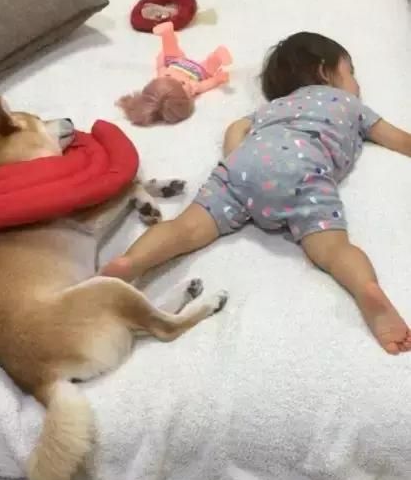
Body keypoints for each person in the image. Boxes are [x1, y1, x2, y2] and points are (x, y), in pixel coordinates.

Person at [102, 31, 411, 355]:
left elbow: (236, 128)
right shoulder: (351, 104)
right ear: (325, 71)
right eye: (350, 72)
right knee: (333, 250)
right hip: (303, 173)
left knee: (185, 228)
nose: (356, 83)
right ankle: (365, 288)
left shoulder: (274, 107)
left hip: (243, 167)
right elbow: (401, 140)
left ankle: (130, 263)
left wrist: (235, 162)